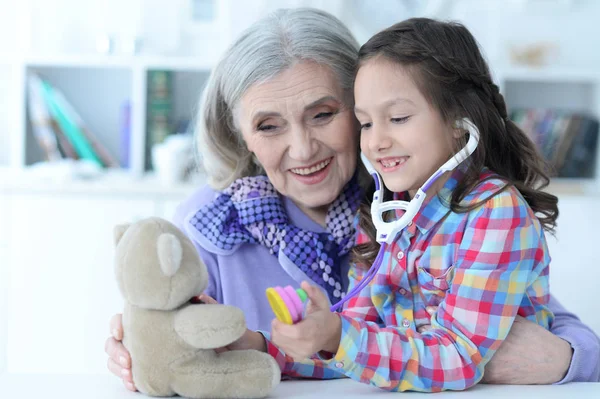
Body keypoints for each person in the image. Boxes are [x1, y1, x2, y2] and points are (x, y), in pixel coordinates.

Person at [104, 8, 599, 392]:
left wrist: (561, 358)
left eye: (323, 114)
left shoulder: (408, 203)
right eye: (268, 125)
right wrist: (150, 347)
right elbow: (345, 339)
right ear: (238, 135)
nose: (302, 149)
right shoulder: (211, 227)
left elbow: (565, 341)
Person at [264, 17, 594, 392]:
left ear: (458, 121)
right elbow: (357, 345)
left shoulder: (496, 212)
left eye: (398, 118)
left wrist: (340, 337)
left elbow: (458, 358)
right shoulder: (383, 214)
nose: (376, 142)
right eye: (366, 124)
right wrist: (263, 347)